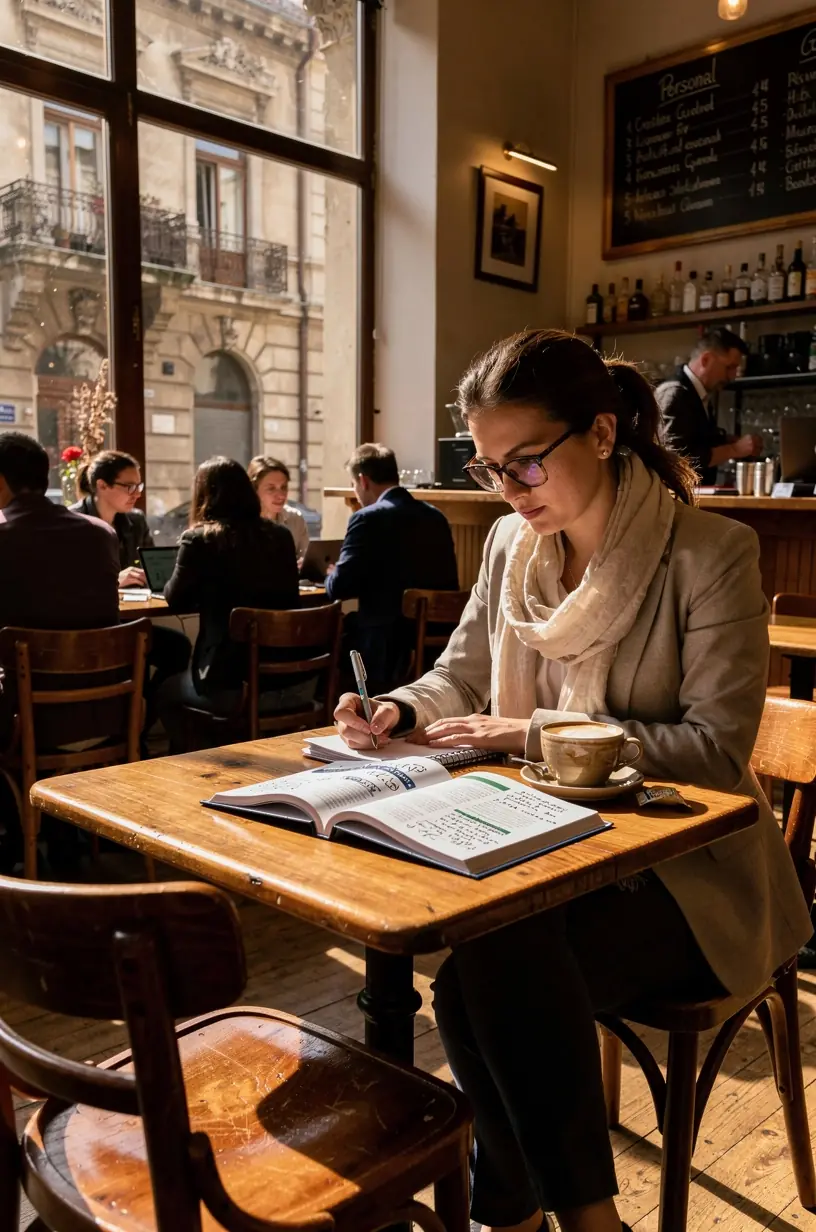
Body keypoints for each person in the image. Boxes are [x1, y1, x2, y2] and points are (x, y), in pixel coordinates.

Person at [333, 330, 811, 1232]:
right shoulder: (514, 549)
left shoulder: (709, 555)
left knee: (491, 968)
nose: (509, 492)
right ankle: (539, 1220)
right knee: (483, 970)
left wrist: (533, 730)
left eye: (525, 465)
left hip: (691, 879)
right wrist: (398, 707)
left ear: (600, 432)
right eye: (488, 471)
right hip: (547, 855)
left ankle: (549, 1220)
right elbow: (461, 675)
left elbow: (713, 749)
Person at [0, 433, 120, 864]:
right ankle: (61, 835)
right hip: (109, 713)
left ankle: (17, 844)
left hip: (32, 721)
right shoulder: (101, 533)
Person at [158, 457, 305, 749]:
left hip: (229, 683)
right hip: (291, 680)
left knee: (165, 691)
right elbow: (291, 597)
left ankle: (196, 765)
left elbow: (174, 599)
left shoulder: (199, 540)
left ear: (204, 495)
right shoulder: (281, 536)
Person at [72, 449, 191, 736]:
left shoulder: (135, 522)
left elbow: (152, 569)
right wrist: (115, 580)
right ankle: (122, 730)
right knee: (135, 652)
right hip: (91, 625)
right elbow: (71, 583)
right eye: (129, 486)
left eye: (139, 486)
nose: (136, 493)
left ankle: (139, 724)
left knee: (178, 647)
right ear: (102, 485)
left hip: (129, 619)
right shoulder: (73, 522)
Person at [325, 443, 459, 692]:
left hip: (384, 647)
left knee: (334, 636)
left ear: (363, 481)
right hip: (436, 644)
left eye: (354, 485)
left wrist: (330, 574)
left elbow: (340, 587)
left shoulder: (366, 518)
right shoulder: (436, 517)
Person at [655, 328, 762, 485]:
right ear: (705, 360)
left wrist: (726, 440)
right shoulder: (676, 393)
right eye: (729, 368)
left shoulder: (696, 393)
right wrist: (735, 449)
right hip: (675, 502)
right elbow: (677, 460)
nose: (732, 377)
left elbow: (696, 441)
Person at [247, 455, 310, 567]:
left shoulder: (295, 519)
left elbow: (306, 558)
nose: (281, 495)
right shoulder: (242, 523)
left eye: (284, 487)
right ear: (254, 490)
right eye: (271, 488)